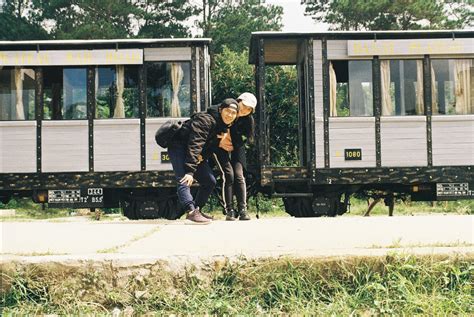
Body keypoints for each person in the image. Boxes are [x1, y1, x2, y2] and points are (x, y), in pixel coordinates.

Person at [168, 99, 239, 224]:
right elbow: (195, 144)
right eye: (227, 111)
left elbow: (212, 146)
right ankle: (190, 212)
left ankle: (197, 210)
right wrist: (190, 171)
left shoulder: (222, 125)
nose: (230, 115)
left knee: (209, 181)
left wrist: (203, 156)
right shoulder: (205, 120)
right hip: (178, 146)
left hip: (193, 152)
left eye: (234, 113)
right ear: (220, 110)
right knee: (184, 178)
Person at [213, 92, 257, 221]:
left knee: (239, 175)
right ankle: (229, 210)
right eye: (244, 106)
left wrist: (232, 141)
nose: (245, 110)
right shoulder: (225, 110)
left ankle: (243, 209)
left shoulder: (247, 120)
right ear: (238, 101)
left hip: (236, 148)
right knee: (228, 175)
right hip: (219, 147)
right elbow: (211, 111)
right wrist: (220, 139)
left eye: (249, 109)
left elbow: (247, 138)